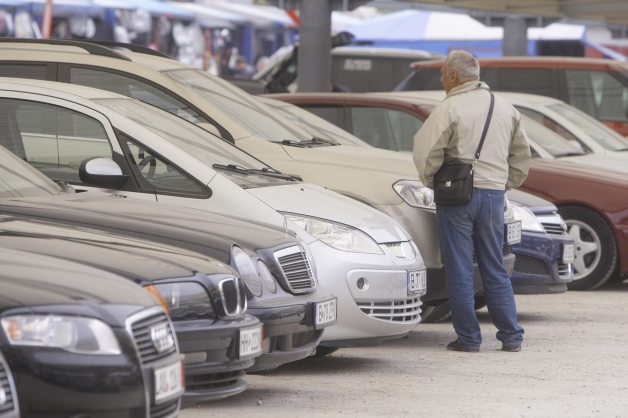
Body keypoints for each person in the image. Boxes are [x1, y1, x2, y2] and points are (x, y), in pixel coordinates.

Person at [413, 50, 531, 353]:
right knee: (494, 265)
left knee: (459, 268)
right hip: (493, 196)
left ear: (453, 76)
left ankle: (468, 339)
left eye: (442, 73)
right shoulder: (505, 107)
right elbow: (521, 156)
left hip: (457, 196)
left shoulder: (449, 107)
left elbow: (427, 152)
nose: (441, 79)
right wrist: (504, 184)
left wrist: (431, 180)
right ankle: (511, 336)